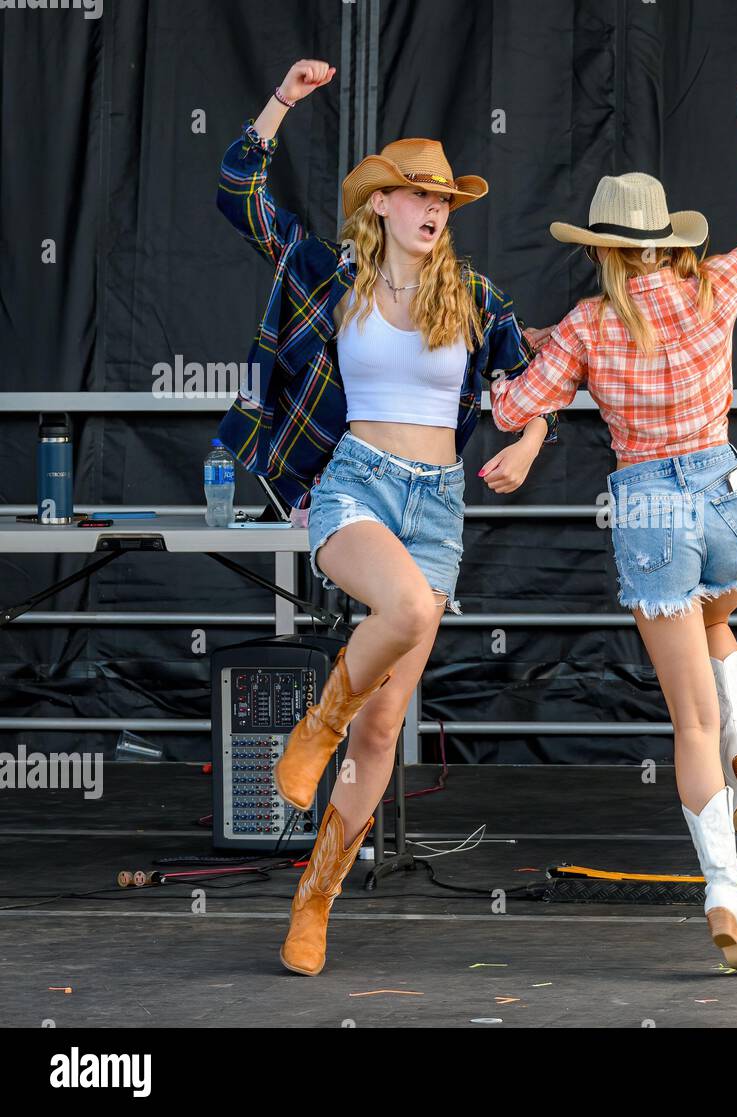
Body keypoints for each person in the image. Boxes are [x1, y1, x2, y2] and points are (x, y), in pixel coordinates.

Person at [215, 59, 557, 976]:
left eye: (443, 195)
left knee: (384, 730)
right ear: (381, 206)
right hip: (356, 485)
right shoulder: (330, 277)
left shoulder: (475, 299)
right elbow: (237, 190)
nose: (433, 207)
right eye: (416, 193)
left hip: (438, 505)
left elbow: (535, 386)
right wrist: (282, 102)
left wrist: (524, 443)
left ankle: (314, 899)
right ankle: (312, 729)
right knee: (401, 612)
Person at [490, 74, 737, 971]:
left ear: (603, 249)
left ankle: (726, 895)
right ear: (668, 241)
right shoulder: (715, 288)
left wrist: (491, 374)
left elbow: (518, 407)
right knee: (724, 606)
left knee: (688, 721)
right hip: (726, 498)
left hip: (650, 508)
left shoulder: (590, 323)